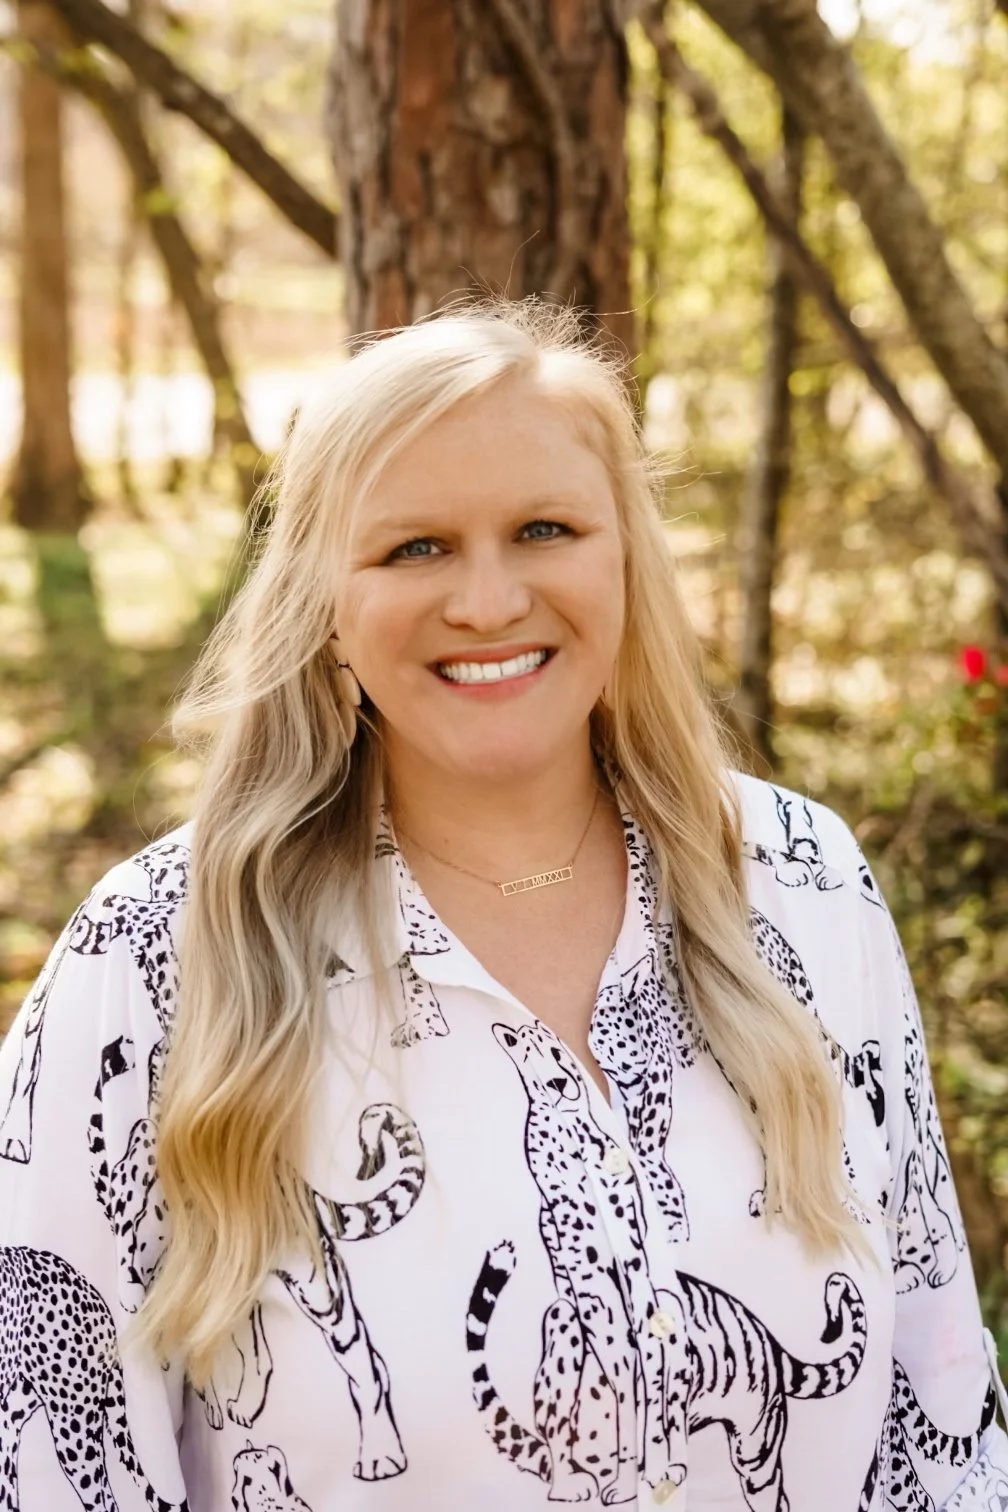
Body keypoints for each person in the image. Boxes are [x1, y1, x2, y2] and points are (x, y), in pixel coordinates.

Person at [1, 300, 1005, 1512]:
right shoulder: (155, 957)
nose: (486, 603)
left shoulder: (803, 886)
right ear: (325, 598)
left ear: (624, 556)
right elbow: (56, 1466)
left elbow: (940, 1417)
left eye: (545, 528)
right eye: (414, 547)